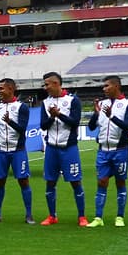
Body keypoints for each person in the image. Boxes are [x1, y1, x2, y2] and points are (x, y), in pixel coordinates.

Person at [87, 75, 128, 227]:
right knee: (102, 182)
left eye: (107, 86)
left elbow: (127, 126)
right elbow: (91, 127)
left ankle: (120, 216)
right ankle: (98, 218)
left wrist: (111, 116)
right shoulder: (101, 104)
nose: (104, 88)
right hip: (103, 150)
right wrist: (96, 113)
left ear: (116, 86)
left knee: (120, 182)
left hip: (120, 149)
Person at [39, 71, 87, 226]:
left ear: (56, 83)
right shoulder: (45, 103)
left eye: (47, 84)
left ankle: (81, 216)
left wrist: (58, 115)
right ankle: (52, 215)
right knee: (50, 182)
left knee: (75, 182)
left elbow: (74, 122)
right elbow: (43, 125)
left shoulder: (73, 100)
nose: (45, 87)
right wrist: (52, 116)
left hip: (69, 147)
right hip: (51, 148)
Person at [0, 77, 34, 224]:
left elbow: (22, 129)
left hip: (18, 150)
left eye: (1, 88)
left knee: (23, 181)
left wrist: (10, 122)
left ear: (11, 89)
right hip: (1, 150)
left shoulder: (22, 107)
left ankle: (29, 215)